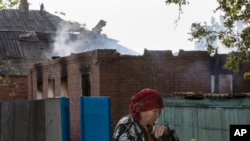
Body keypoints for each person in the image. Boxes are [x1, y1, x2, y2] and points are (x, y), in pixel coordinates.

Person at [113, 88, 179, 141]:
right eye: (155, 111)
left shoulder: (150, 126)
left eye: (160, 111)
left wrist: (167, 132)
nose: (158, 115)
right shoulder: (126, 124)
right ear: (142, 109)